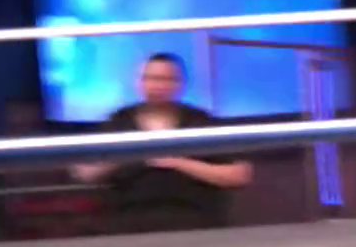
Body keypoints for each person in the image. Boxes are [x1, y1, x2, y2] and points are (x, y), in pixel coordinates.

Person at [72, 53, 252, 234]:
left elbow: (238, 176)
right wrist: (127, 156)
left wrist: (179, 163)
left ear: (180, 84)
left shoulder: (200, 121)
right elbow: (84, 173)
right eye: (150, 78)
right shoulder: (120, 120)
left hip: (193, 219)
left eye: (166, 79)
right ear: (139, 83)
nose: (157, 86)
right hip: (128, 221)